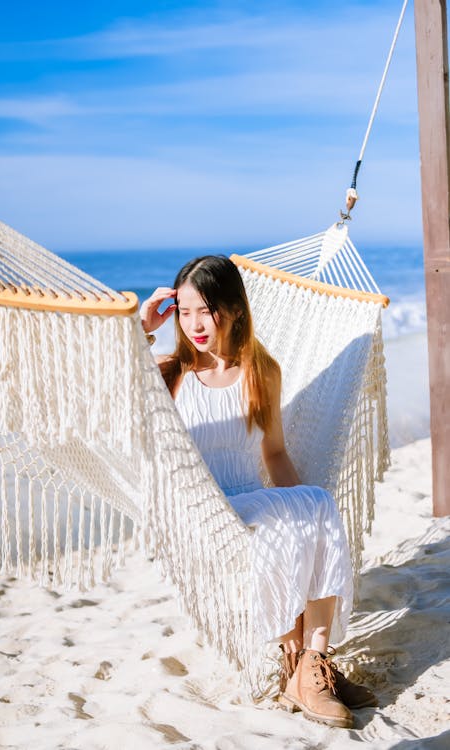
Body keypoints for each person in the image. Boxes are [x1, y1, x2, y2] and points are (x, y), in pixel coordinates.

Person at [140, 254, 377, 729]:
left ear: (234, 309)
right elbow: (110, 392)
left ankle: (310, 662)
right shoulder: (168, 374)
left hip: (252, 501)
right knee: (304, 510)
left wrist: (307, 512)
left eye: (204, 310)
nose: (194, 324)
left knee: (312, 508)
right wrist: (143, 330)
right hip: (204, 509)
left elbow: (274, 455)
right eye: (183, 312)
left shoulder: (260, 371)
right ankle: (306, 671)